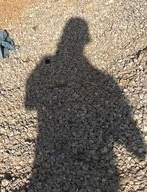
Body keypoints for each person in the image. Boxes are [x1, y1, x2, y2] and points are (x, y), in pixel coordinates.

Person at [25, 18, 145, 191]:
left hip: (46, 146)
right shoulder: (105, 80)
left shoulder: (39, 72)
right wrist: (136, 146)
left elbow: (29, 104)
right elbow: (123, 114)